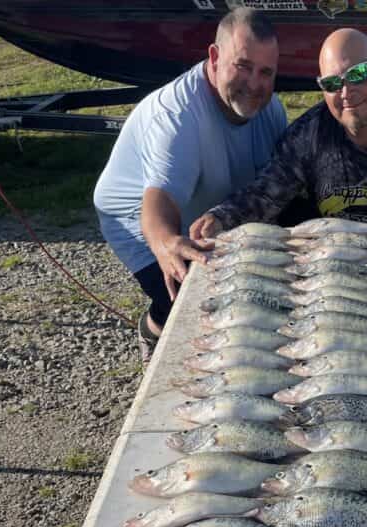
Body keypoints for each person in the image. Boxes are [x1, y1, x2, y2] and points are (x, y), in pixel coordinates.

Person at [93, 9, 287, 359]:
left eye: (266, 72)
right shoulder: (178, 116)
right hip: (141, 219)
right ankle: (153, 327)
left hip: (214, 207)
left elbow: (281, 181)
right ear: (214, 57)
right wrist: (167, 243)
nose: (255, 84)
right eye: (242, 66)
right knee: (194, 302)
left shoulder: (270, 108)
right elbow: (158, 201)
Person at [189, 28, 367, 237]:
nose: (346, 92)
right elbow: (266, 194)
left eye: (358, 74)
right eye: (332, 83)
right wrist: (220, 219)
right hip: (331, 268)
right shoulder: (308, 136)